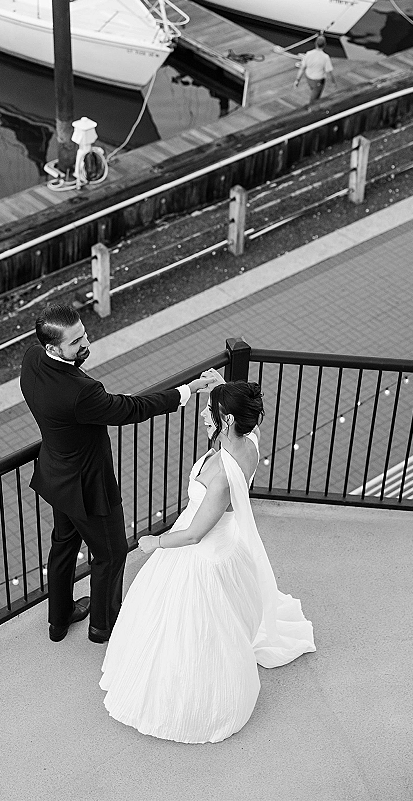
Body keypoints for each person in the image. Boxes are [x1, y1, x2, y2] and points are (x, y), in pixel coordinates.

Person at [99, 376, 316, 744]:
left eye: (210, 411)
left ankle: (191, 702)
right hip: (227, 542)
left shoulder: (221, 478)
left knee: (185, 628)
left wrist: (155, 542)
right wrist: (220, 384)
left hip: (201, 552)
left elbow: (193, 535)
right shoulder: (250, 443)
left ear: (226, 420)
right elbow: (244, 419)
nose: (203, 414)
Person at [20, 303, 214, 645]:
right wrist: (189, 390)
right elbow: (131, 409)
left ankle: (58, 621)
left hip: (56, 474)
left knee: (63, 545)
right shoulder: (82, 392)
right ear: (53, 347)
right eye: (75, 342)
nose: (86, 343)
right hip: (88, 486)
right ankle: (103, 627)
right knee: (111, 554)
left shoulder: (32, 359)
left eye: (83, 334)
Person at [294, 35, 336, 103]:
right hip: (318, 81)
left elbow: (302, 68)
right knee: (314, 100)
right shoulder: (325, 57)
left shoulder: (308, 54)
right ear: (324, 45)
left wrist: (297, 80)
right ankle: (312, 107)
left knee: (313, 91)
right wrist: (333, 82)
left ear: (315, 43)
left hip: (309, 78)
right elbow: (329, 71)